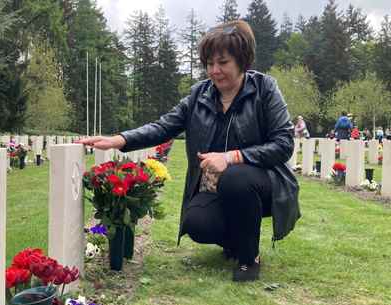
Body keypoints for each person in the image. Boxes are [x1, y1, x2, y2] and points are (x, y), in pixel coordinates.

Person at [77, 20, 299, 282]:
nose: (214, 71)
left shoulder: (265, 89)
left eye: (223, 62)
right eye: (209, 63)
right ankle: (236, 239)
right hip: (213, 186)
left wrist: (231, 157)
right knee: (197, 224)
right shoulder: (199, 95)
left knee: (236, 178)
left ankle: (248, 258)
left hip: (261, 183)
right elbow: (163, 126)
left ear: (242, 60)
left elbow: (283, 143)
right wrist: (119, 140)